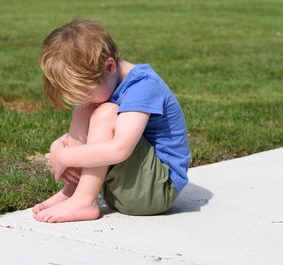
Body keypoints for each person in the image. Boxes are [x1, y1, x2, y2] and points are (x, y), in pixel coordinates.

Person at [32, 19, 190, 223]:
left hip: (157, 189)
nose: (84, 99)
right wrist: (60, 146)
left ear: (109, 66)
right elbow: (103, 137)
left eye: (86, 92)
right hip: (132, 185)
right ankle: (74, 191)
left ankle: (84, 201)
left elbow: (119, 149)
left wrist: (65, 156)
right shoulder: (109, 84)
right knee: (86, 109)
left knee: (105, 112)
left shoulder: (143, 86)